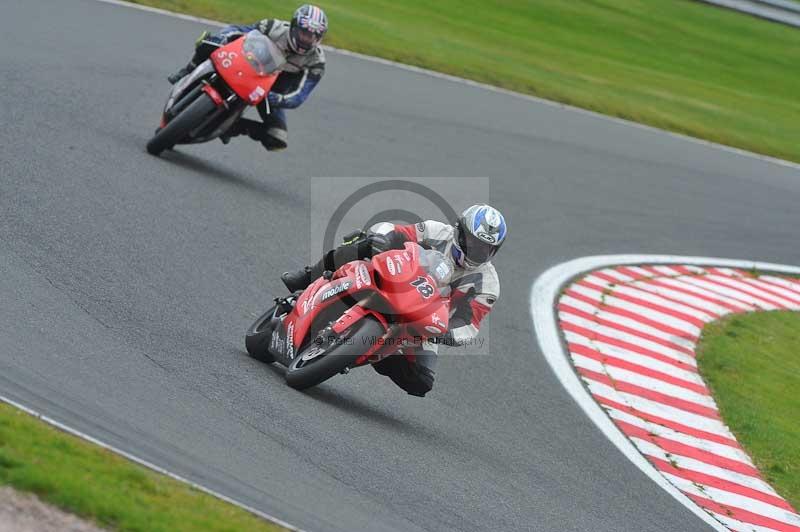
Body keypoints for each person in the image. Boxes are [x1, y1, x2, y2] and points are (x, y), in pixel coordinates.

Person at [282, 204, 506, 397]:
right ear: (460, 232)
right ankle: (309, 274)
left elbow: (469, 324)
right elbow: (398, 232)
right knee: (364, 242)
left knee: (421, 382)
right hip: (395, 278)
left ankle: (372, 350)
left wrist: (445, 333)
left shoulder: (487, 285)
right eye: (473, 244)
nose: (477, 252)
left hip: (424, 320)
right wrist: (382, 238)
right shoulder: (437, 231)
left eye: (485, 249)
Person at [167, 4, 328, 151]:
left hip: (272, 89)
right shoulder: (273, 27)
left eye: (313, 36)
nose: (307, 39)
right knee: (208, 42)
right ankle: (187, 70)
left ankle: (232, 127)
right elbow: (239, 30)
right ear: (294, 27)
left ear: (319, 38)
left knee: (277, 137)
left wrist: (277, 98)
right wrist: (222, 38)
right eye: (304, 33)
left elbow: (300, 94)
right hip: (249, 62)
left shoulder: (317, 62)